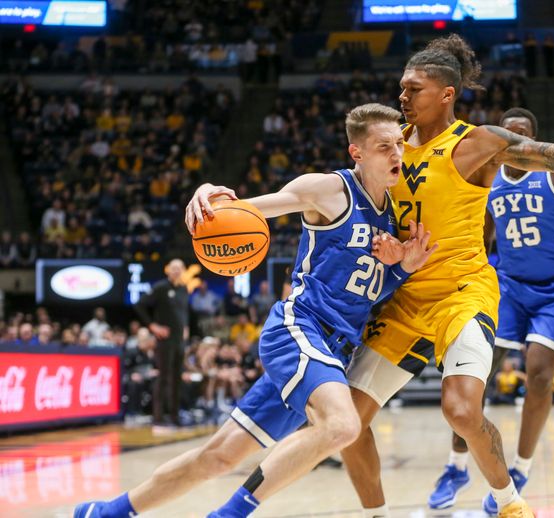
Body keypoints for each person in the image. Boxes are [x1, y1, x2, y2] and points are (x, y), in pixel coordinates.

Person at [340, 35, 554, 518]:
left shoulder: (480, 143)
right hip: (405, 298)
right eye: (400, 88)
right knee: (345, 422)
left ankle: (509, 501)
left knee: (462, 410)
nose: (402, 97)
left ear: (446, 94)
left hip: (464, 292)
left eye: (412, 89)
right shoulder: (388, 146)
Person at [74, 103, 436, 518]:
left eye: (399, 145)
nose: (396, 154)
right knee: (343, 426)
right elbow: (245, 211)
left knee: (220, 456)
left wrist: (402, 269)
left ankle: (105, 512)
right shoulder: (329, 190)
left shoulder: (390, 215)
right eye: (383, 146)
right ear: (357, 153)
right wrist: (208, 191)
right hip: (300, 329)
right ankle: (229, 515)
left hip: (331, 352)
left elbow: (366, 293)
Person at [426, 107, 554, 513]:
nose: (516, 141)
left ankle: (521, 468)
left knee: (541, 375)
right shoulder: (486, 181)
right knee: (474, 375)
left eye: (523, 134)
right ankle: (456, 466)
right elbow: (481, 235)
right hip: (506, 287)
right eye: (508, 134)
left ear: (534, 140)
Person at [133, 259, 190, 426]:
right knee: (163, 377)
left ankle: (174, 415)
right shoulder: (161, 287)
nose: (176, 271)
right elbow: (140, 305)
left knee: (177, 378)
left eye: (179, 268)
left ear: (183, 270)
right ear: (168, 270)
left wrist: (185, 327)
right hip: (164, 341)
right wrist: (153, 326)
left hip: (179, 340)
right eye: (173, 268)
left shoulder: (184, 289)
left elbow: (183, 312)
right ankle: (158, 416)